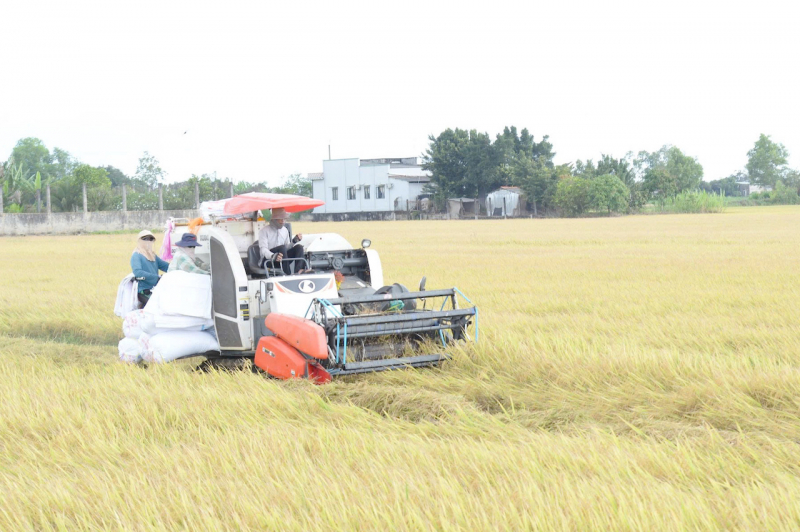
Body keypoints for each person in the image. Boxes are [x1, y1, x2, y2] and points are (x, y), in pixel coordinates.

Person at [258, 207, 306, 274]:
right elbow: (263, 250)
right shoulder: (264, 231)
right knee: (282, 248)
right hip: (268, 260)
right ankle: (288, 274)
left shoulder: (285, 230)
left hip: (282, 259)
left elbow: (287, 248)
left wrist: (294, 241)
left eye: (284, 219)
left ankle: (298, 272)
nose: (283, 221)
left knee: (299, 247)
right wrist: (273, 256)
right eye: (280, 219)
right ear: (274, 219)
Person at [130, 230, 170, 306]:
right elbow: (138, 272)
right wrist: (156, 277)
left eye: (151, 239)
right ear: (139, 240)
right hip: (144, 291)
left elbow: (166, 266)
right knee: (157, 306)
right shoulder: (136, 255)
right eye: (145, 239)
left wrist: (178, 269)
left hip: (155, 289)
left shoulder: (153, 256)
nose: (148, 241)